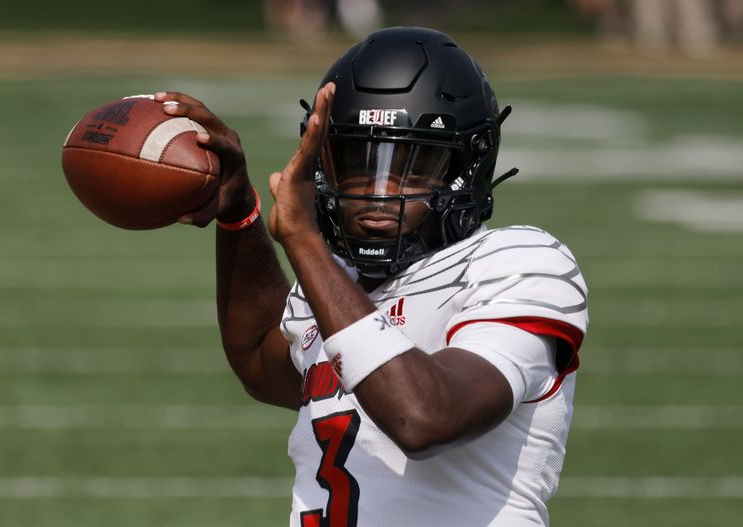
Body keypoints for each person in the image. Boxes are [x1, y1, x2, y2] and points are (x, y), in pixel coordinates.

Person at [155, 26, 588, 527]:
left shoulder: (518, 262)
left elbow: (425, 418)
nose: (379, 197)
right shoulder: (334, 278)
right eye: (357, 165)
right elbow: (257, 357)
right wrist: (239, 214)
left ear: (467, 165)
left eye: (414, 166)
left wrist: (302, 240)